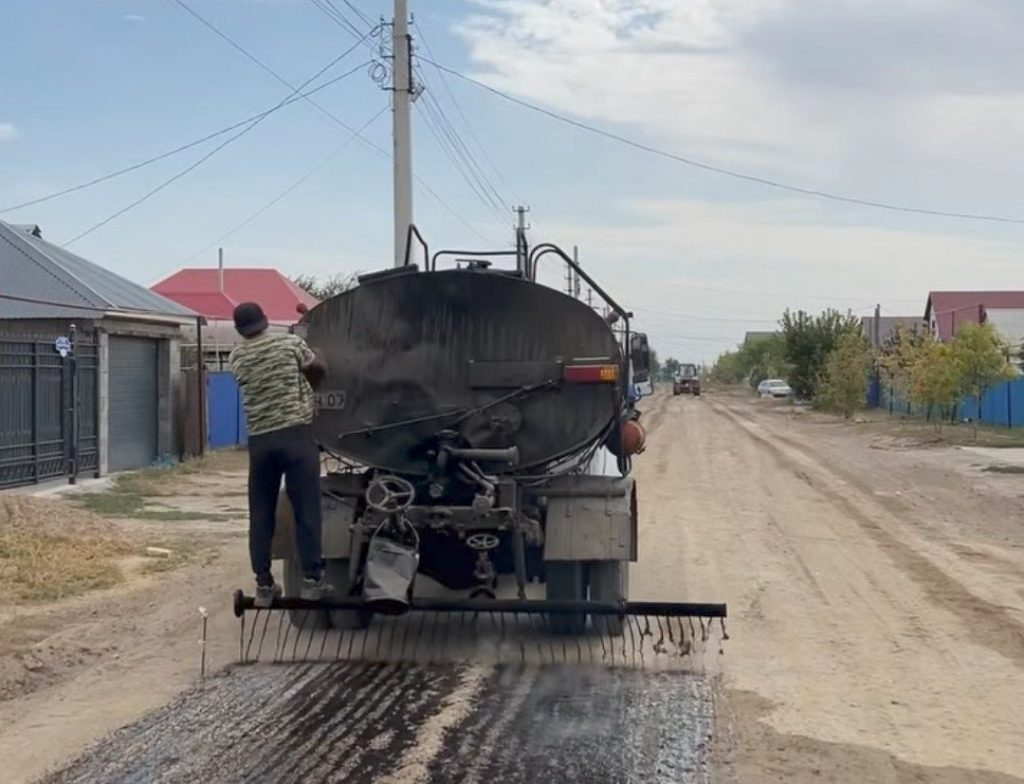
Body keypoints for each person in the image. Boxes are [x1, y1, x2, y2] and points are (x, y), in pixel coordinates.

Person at [229, 302, 329, 607]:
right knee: (306, 510)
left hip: (261, 443)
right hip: (297, 437)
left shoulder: (236, 357)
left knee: (260, 514)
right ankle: (312, 581)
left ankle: (263, 585)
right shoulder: (290, 343)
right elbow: (319, 368)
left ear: (239, 330)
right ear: (266, 319)